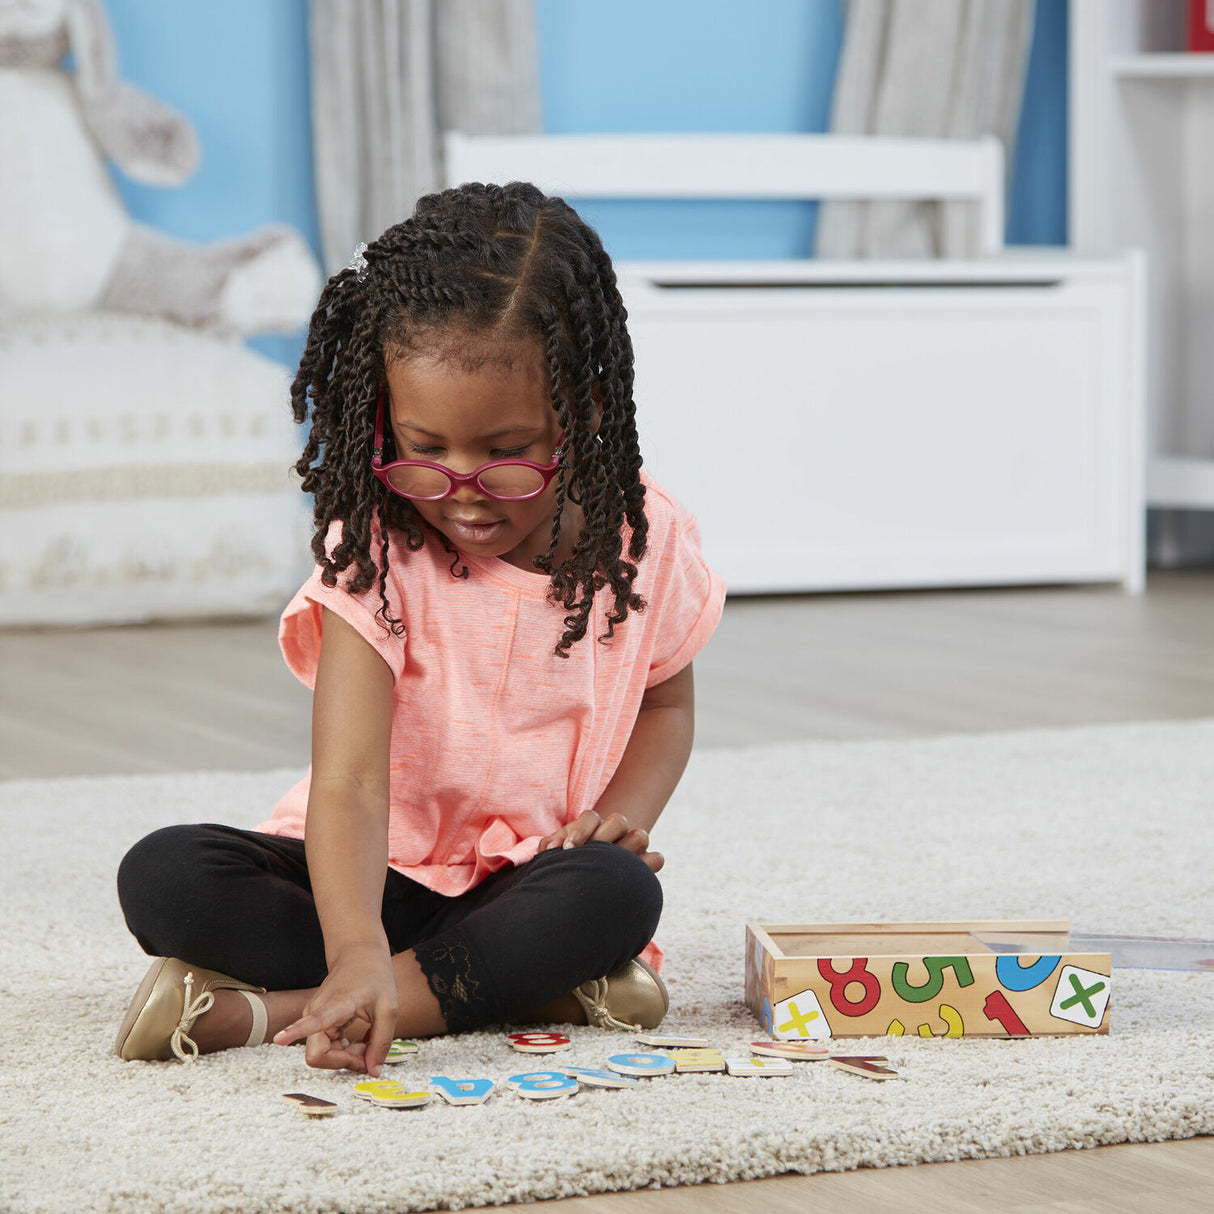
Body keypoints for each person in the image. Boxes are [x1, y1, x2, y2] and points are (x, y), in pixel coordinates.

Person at [114, 182, 725, 1078]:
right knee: (166, 875)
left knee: (617, 893)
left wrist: (614, 822)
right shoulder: (373, 546)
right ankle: (503, 987)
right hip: (367, 876)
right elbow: (353, 779)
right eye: (425, 451)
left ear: (585, 410)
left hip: (523, 879)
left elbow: (667, 704)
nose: (464, 489)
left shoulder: (647, 539)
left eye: (506, 451)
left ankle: (265, 1014)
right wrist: (357, 943)